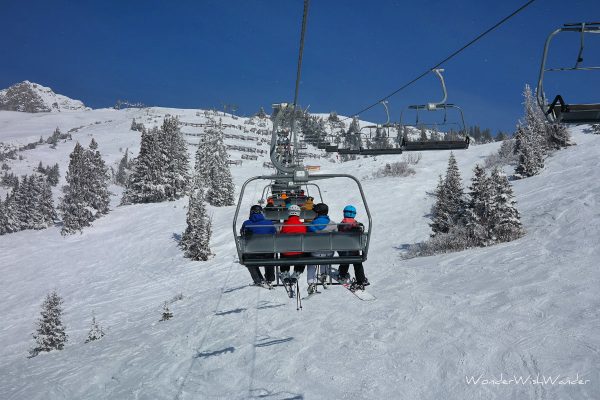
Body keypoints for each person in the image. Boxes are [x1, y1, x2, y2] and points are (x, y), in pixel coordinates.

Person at [240, 205, 276, 286]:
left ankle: (258, 279)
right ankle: (270, 277)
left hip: (253, 254)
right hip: (268, 253)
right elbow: (274, 234)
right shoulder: (269, 223)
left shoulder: (246, 223)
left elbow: (242, 234)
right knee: (269, 253)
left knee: (247, 258)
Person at [306, 203, 337, 294]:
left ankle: (311, 282)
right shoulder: (333, 224)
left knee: (312, 262)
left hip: (315, 253)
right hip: (328, 252)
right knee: (325, 255)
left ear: (318, 213)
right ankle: (323, 275)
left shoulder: (311, 225)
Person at [337, 205, 369, 288]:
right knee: (357, 263)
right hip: (355, 251)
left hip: (343, 251)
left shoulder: (341, 225)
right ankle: (361, 279)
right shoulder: (357, 226)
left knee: (344, 261)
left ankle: (342, 274)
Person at [279, 204, 306, 284]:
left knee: (284, 249)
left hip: (286, 254)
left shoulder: (285, 225)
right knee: (304, 252)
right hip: (299, 253)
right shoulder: (302, 226)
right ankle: (298, 271)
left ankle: (285, 271)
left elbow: (280, 237)